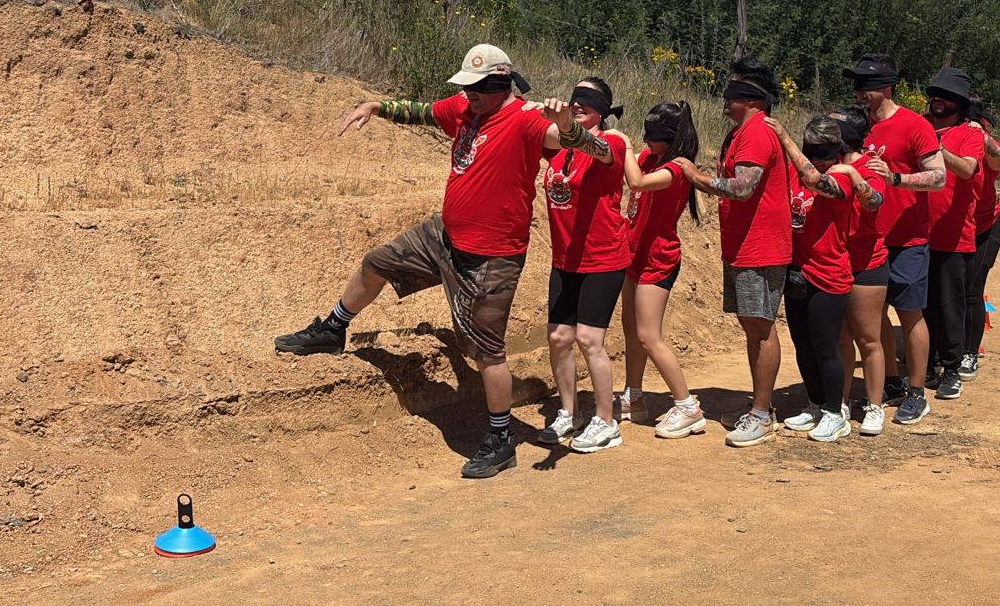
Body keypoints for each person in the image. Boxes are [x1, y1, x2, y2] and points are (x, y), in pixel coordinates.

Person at [272, 44, 550, 480]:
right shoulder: (465, 108)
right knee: (377, 261)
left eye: (476, 88)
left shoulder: (528, 120)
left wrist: (567, 124)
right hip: (445, 236)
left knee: (487, 351)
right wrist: (376, 106)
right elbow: (422, 112)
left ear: (500, 84)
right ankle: (333, 329)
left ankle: (501, 439)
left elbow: (574, 142)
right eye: (466, 88)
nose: (468, 95)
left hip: (491, 257)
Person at [675, 58, 792, 447]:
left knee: (760, 327)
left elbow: (743, 187)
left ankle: (761, 414)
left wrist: (696, 176)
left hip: (761, 246)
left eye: (732, 91)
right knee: (752, 326)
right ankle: (759, 406)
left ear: (752, 98)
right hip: (744, 244)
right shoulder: (741, 132)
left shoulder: (756, 132)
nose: (724, 98)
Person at [768, 114, 882, 442]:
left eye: (822, 153)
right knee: (803, 346)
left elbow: (816, 182)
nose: (816, 159)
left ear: (836, 152)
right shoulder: (795, 170)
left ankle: (835, 413)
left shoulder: (841, 176)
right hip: (798, 271)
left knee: (825, 347)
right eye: (811, 151)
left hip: (829, 273)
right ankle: (817, 404)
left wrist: (785, 138)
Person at [534, 78, 632, 454]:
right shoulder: (558, 148)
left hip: (603, 258)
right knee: (559, 338)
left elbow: (593, 146)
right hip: (566, 259)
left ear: (603, 110)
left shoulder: (613, 142)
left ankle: (606, 422)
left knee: (590, 340)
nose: (577, 105)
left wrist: (564, 124)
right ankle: (569, 412)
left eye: (586, 101)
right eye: (574, 99)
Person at [848, 55, 946, 425]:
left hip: (907, 239)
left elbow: (938, 176)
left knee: (909, 314)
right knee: (872, 319)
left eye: (866, 87)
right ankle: (889, 382)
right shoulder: (858, 127)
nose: (859, 94)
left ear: (887, 88)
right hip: (867, 239)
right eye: (857, 87)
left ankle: (917, 391)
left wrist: (896, 179)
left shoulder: (915, 125)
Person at [618, 101, 707, 439]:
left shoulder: (675, 170)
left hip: (658, 259)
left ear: (670, 139)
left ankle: (687, 406)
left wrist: (624, 145)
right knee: (631, 330)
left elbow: (637, 182)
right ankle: (634, 397)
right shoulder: (649, 157)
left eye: (652, 136)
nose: (645, 141)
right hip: (634, 255)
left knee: (648, 336)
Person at [827, 105, 891, 436]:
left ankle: (875, 406)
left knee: (868, 339)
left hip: (867, 263)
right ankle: (840, 402)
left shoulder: (871, 166)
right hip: (836, 263)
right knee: (841, 339)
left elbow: (874, 201)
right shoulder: (828, 165)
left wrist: (853, 175)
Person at [922, 67, 984, 402]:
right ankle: (925, 365)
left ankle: (952, 369)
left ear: (959, 104)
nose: (937, 101)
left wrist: (937, 148)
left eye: (946, 97)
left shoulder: (968, 133)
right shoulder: (920, 126)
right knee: (921, 306)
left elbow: (968, 168)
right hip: (917, 234)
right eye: (935, 94)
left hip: (953, 236)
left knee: (949, 307)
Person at [960, 97, 1000, 381]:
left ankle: (969, 352)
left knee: (972, 290)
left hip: (984, 225)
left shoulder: (985, 142)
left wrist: (980, 134)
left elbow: (999, 164)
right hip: (954, 226)